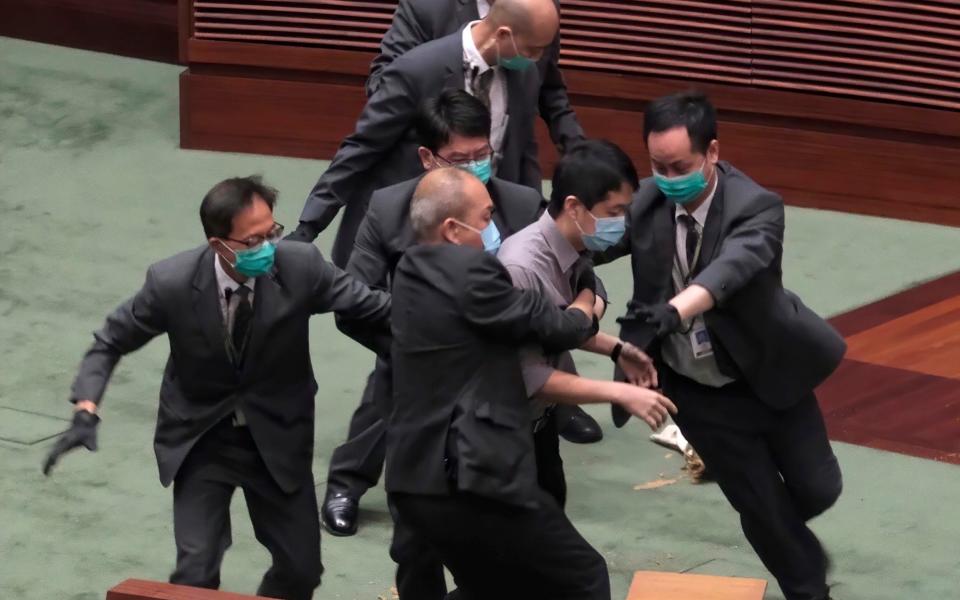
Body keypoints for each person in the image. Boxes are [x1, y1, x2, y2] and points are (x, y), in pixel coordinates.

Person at [42, 177, 391, 600]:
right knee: (195, 572)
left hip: (278, 436)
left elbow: (371, 305)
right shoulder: (170, 283)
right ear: (217, 244)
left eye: (272, 233)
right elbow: (111, 340)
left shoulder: (300, 266)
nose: (267, 247)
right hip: (202, 437)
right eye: (252, 240)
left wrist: (448, 310)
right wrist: (86, 407)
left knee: (301, 570)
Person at [597, 91, 845, 600]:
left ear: (711, 152)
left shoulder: (757, 206)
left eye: (679, 166)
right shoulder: (646, 201)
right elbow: (589, 241)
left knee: (819, 489)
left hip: (766, 374)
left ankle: (788, 538)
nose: (668, 179)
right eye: (657, 166)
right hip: (696, 388)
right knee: (760, 505)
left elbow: (732, 267)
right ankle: (805, 584)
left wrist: (675, 309)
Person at [388, 167, 655, 599]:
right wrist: (588, 297)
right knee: (583, 574)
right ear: (453, 230)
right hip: (477, 474)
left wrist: (613, 347)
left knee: (489, 586)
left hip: (416, 474)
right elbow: (561, 326)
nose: (494, 228)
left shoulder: (409, 270)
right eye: (486, 216)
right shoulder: (477, 275)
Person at [321, 89, 544, 540]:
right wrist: (417, 330)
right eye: (460, 158)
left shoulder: (520, 203)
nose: (475, 165)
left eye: (482, 153)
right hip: (417, 340)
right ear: (428, 158)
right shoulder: (389, 208)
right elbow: (354, 297)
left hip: (503, 337)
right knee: (395, 383)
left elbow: (570, 272)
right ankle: (346, 484)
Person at [286, 0, 560, 268]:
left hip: (474, 243)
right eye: (532, 50)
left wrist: (534, 230)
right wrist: (309, 226)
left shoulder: (525, 76)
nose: (536, 59)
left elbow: (524, 152)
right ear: (504, 35)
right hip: (401, 239)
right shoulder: (418, 69)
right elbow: (361, 148)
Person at [497, 139, 678, 506]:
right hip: (501, 439)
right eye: (615, 211)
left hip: (539, 425)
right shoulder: (522, 268)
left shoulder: (573, 246)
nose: (621, 223)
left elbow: (555, 327)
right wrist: (619, 392)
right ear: (574, 206)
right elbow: (527, 377)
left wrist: (616, 348)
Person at [366, 0, 584, 155]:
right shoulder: (428, 6)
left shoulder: (541, 10)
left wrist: (578, 149)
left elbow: (547, 85)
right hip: (429, 166)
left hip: (502, 173)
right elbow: (381, 85)